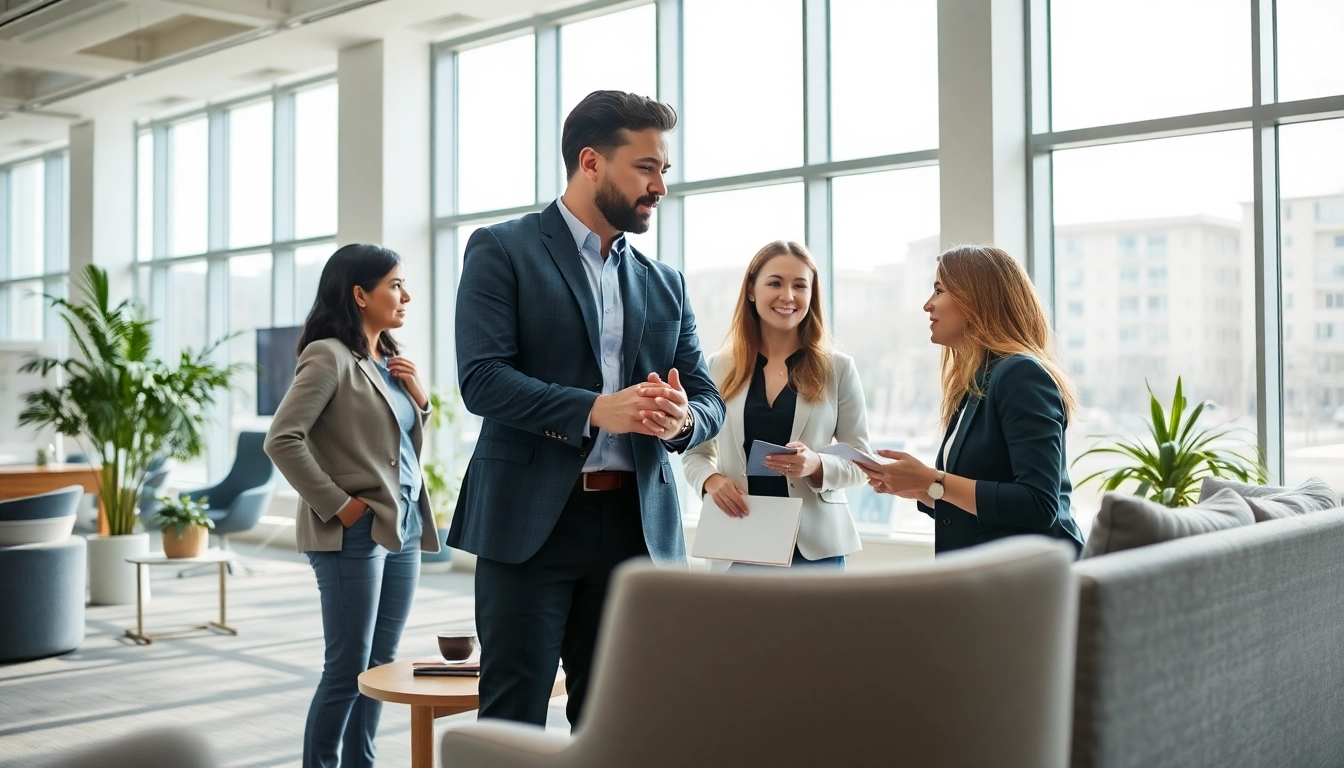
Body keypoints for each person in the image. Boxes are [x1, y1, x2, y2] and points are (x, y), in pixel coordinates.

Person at [451, 90, 726, 728]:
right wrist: (599, 409)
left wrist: (682, 419)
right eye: (647, 168)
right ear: (591, 162)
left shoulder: (665, 282)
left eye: (665, 171)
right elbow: (482, 381)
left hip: (636, 529)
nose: (660, 186)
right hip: (531, 523)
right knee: (512, 717)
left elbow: (708, 399)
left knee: (617, 720)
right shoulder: (501, 249)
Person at [264, 244, 438, 768]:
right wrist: (339, 506)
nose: (405, 295)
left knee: (381, 665)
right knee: (346, 669)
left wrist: (421, 400)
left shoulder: (389, 360)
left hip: (402, 524)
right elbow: (282, 439)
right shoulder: (327, 355)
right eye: (394, 285)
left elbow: (396, 445)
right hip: (354, 532)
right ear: (360, 294)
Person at [860, 245, 1085, 556]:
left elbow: (1038, 504)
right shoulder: (976, 383)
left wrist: (933, 479)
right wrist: (922, 489)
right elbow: (986, 510)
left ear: (976, 299)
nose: (928, 305)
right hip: (991, 576)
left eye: (939, 290)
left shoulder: (1020, 374)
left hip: (1032, 581)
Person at [683, 240, 869, 569]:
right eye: (775, 283)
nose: (788, 296)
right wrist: (711, 482)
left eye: (800, 286)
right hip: (738, 540)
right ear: (752, 290)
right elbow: (696, 454)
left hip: (815, 551)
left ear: (812, 296)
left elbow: (861, 462)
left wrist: (816, 465)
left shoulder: (838, 369)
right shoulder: (718, 367)